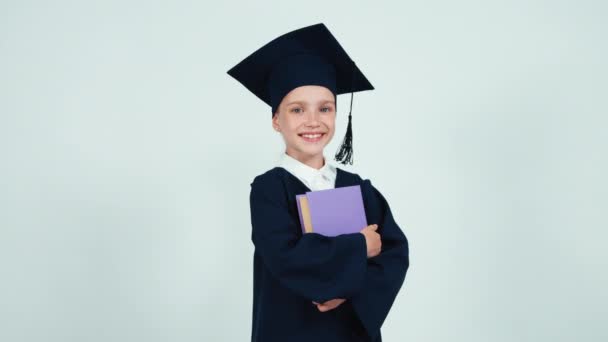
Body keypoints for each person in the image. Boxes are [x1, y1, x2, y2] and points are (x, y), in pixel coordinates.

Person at [227, 23, 410, 342]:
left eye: (325, 108)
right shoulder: (270, 189)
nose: (313, 121)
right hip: (289, 330)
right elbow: (285, 257)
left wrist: (349, 293)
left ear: (337, 115)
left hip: (349, 332)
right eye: (297, 110)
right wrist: (359, 246)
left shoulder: (358, 187)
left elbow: (394, 254)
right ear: (276, 121)